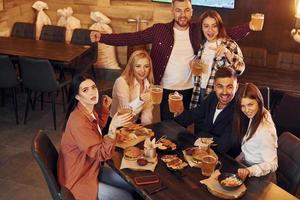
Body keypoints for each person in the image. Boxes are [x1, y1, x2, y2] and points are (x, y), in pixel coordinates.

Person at [90, 0, 251, 121]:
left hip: (191, 89)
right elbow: (132, 37)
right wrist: (103, 37)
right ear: (172, 11)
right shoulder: (159, 30)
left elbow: (226, 32)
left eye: (187, 10)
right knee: (168, 125)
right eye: (179, 10)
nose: (183, 14)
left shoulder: (198, 29)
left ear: (191, 11)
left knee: (188, 125)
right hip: (165, 89)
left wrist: (250, 26)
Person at [57, 74, 135, 200]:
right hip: (78, 178)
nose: (92, 92)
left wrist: (104, 110)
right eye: (85, 90)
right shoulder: (78, 121)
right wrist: (113, 128)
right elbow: (102, 154)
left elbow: (95, 127)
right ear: (77, 96)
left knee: (131, 184)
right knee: (124, 196)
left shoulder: (86, 110)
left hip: (90, 168)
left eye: (93, 87)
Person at [174, 67, 239, 155]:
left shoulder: (239, 110)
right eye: (220, 86)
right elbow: (192, 115)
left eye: (229, 87)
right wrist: (180, 110)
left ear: (236, 87)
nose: (224, 92)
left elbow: (223, 146)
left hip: (225, 159)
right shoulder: (212, 97)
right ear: (215, 87)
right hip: (203, 152)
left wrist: (202, 135)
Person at [189, 10, 245, 109]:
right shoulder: (202, 46)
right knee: (200, 123)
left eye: (214, 26)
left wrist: (227, 53)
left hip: (218, 97)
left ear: (219, 27)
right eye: (206, 26)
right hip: (199, 93)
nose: (210, 30)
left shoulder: (229, 44)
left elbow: (240, 68)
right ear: (201, 28)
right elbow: (202, 75)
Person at [234, 83, 278, 180]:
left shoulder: (265, 130)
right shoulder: (259, 113)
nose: (246, 110)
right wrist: (235, 161)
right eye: (243, 106)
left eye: (250, 104)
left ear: (259, 101)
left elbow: (272, 164)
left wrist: (250, 171)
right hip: (247, 164)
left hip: (262, 177)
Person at [110, 50, 154, 125]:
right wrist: (140, 100)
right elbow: (126, 113)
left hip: (134, 123)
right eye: (138, 66)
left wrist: (148, 129)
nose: (142, 70)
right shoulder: (121, 82)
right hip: (116, 125)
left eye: (146, 66)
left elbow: (147, 113)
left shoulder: (148, 85)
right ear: (131, 67)